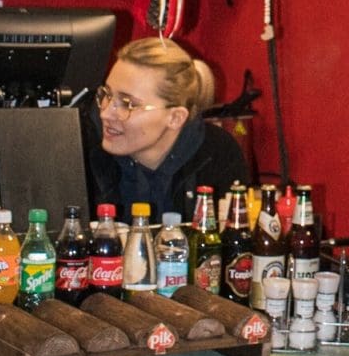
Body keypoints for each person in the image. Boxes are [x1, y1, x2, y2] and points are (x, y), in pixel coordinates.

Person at [82, 37, 247, 224]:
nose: (105, 113)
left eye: (128, 104)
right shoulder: (83, 150)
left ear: (175, 118)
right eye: (107, 94)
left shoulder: (217, 155)